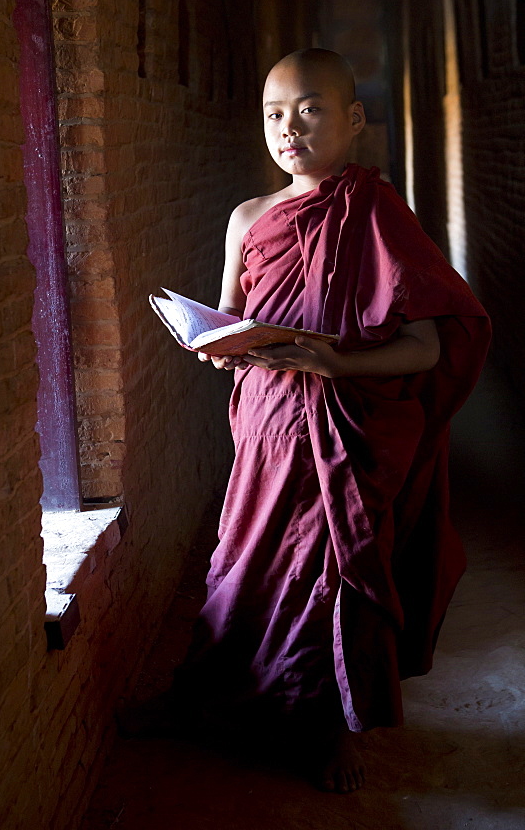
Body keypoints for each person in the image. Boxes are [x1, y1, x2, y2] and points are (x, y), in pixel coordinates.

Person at [171, 48, 491, 792]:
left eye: (310, 109)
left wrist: (338, 364)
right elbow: (232, 319)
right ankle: (207, 700)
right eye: (273, 114)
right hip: (263, 425)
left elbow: (425, 342)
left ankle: (331, 728)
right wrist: (216, 348)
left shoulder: (375, 214)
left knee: (329, 574)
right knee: (238, 565)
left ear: (352, 120)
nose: (290, 128)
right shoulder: (247, 218)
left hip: (342, 428)